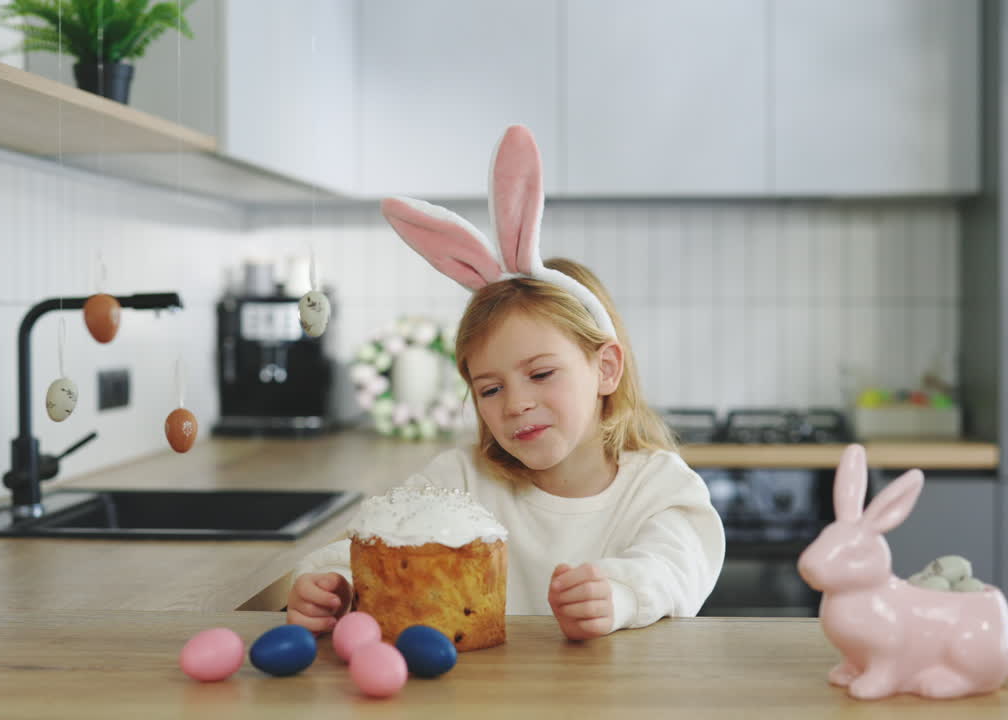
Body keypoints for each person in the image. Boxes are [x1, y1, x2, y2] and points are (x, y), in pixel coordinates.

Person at [286, 125, 724, 640]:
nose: (515, 404)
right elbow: (372, 541)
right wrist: (329, 583)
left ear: (605, 369)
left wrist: (622, 593)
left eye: (541, 374)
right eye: (490, 389)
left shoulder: (658, 487)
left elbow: (677, 565)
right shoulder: (460, 483)